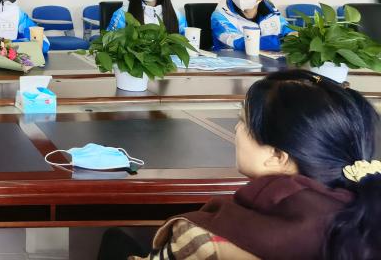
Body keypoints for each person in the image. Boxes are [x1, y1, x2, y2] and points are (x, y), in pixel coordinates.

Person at [98, 70, 381, 260]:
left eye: (243, 122)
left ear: (277, 156)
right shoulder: (364, 217)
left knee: (114, 241)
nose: (235, 129)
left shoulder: (205, 240)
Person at [210, 0, 292, 51]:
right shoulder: (220, 15)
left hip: (266, 57)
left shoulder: (271, 12)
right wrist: (281, 41)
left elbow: (288, 30)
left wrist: (292, 35)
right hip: (231, 57)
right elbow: (238, 42)